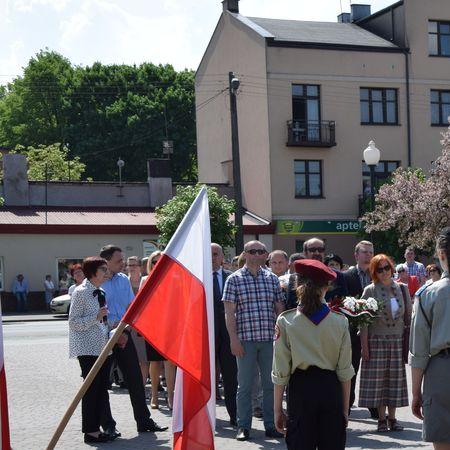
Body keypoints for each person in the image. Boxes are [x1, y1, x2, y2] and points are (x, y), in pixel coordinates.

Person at [273, 259, 354, 450]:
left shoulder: (286, 321)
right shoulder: (339, 321)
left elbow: (280, 371)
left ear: (297, 284)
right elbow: (344, 371)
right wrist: (344, 409)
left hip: (301, 390)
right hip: (330, 390)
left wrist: (277, 409)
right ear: (327, 287)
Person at [99, 245, 167, 435]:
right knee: (103, 383)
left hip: (124, 335)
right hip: (104, 337)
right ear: (106, 261)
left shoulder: (123, 280)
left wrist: (128, 329)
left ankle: (144, 421)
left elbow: (130, 306)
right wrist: (113, 330)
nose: (123, 264)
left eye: (123, 259)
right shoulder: (97, 281)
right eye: (119, 260)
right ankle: (109, 426)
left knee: (136, 380)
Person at [223, 240, 285, 441]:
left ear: (265, 254)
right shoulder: (234, 279)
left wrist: (281, 336)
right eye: (253, 251)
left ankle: (270, 424)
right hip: (245, 340)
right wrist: (233, 340)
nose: (257, 254)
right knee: (245, 386)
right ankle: (243, 426)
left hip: (268, 339)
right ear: (245, 254)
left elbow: (279, 308)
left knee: (270, 384)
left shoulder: (272, 279)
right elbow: (229, 313)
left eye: (261, 251)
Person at [359, 254, 411, 432]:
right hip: (376, 340)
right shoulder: (369, 290)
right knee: (379, 382)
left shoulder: (402, 288)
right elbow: (363, 321)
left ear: (391, 268)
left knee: (394, 381)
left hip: (396, 340)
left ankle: (393, 419)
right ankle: (381, 419)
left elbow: (408, 318)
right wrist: (364, 346)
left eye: (386, 268)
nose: (384, 272)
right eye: (379, 269)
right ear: (374, 272)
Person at [68, 256, 116, 443]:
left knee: (101, 389)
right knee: (91, 390)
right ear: (92, 272)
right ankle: (90, 431)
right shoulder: (80, 292)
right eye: (103, 269)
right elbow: (73, 323)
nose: (106, 272)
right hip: (88, 349)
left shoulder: (100, 291)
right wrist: (95, 318)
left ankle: (100, 428)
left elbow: (102, 322)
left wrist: (111, 327)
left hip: (103, 348)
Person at [410, 227, 450, 449]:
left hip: (442, 371)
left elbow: (419, 350)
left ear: (441, 255)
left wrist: (417, 392)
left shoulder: (428, 294)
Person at [342, 240, 376, 417]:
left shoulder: (379, 274)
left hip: (375, 332)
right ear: (356, 255)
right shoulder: (346, 276)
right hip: (352, 332)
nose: (368, 255)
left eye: (371, 252)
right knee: (352, 370)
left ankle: (375, 407)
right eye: (365, 252)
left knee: (374, 372)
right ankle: (347, 406)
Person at [140, 251, 176, 411]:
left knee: (170, 363)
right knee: (154, 362)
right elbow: (141, 303)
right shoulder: (145, 280)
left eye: (160, 261)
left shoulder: (174, 278)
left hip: (171, 325)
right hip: (153, 326)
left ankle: (171, 397)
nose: (157, 264)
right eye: (154, 262)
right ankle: (154, 395)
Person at [211, 243, 237, 426]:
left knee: (231, 377)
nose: (212, 257)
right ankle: (205, 417)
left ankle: (235, 416)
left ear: (222, 257)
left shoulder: (232, 278)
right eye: (209, 254)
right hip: (207, 335)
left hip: (229, 336)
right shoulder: (197, 278)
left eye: (215, 254)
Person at [126, 256, 149, 385]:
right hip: (128, 324)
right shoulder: (125, 282)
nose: (132, 268)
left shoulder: (145, 281)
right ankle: (134, 385)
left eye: (134, 265)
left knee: (143, 359)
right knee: (131, 359)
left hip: (142, 325)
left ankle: (143, 385)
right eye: (129, 265)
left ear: (140, 267)